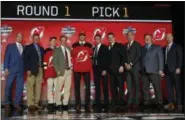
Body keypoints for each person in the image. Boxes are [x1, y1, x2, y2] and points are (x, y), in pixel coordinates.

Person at [141, 34, 164, 111]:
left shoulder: (157, 47)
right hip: (144, 71)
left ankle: (159, 103)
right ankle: (147, 103)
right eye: (145, 38)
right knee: (145, 88)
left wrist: (161, 69)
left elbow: (160, 59)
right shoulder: (143, 48)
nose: (147, 39)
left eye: (148, 38)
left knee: (157, 88)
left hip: (154, 70)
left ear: (152, 39)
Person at [72, 32, 93, 113]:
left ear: (85, 36)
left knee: (88, 88)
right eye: (80, 35)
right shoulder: (74, 45)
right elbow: (72, 56)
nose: (81, 37)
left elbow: (91, 57)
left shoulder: (89, 45)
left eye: (83, 35)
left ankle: (88, 105)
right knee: (77, 88)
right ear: (79, 37)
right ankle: (78, 105)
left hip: (86, 69)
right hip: (77, 69)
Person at [23, 34, 44, 111]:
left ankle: (36, 104)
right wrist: (27, 69)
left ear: (39, 39)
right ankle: (30, 104)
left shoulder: (41, 49)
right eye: (35, 38)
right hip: (31, 69)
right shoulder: (28, 47)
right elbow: (25, 59)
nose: (36, 39)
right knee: (30, 87)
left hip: (40, 69)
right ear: (32, 39)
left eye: (37, 38)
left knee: (38, 87)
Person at [4, 33, 24, 112]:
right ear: (16, 37)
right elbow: (6, 57)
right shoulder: (10, 46)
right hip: (11, 69)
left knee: (19, 88)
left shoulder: (24, 47)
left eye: (21, 36)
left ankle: (17, 104)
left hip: (21, 70)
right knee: (8, 86)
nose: (20, 37)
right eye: (18, 36)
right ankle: (7, 103)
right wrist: (6, 68)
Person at [53, 35, 72, 112]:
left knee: (67, 88)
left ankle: (65, 103)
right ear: (60, 41)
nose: (64, 41)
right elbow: (54, 61)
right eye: (62, 40)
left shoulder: (69, 49)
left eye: (65, 40)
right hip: (61, 71)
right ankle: (58, 103)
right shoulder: (57, 50)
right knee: (58, 88)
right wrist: (57, 70)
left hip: (69, 71)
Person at [164, 33, 183, 112]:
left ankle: (179, 104)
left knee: (177, 87)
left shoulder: (177, 46)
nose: (168, 38)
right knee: (169, 88)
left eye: (169, 37)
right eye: (167, 37)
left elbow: (180, 58)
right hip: (167, 70)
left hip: (175, 70)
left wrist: (179, 67)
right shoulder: (165, 47)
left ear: (172, 38)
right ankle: (171, 104)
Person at [107, 32, 125, 112]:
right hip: (110, 71)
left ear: (114, 38)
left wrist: (122, 66)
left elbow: (124, 57)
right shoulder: (108, 47)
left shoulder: (119, 45)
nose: (110, 39)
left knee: (120, 87)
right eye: (109, 37)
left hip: (119, 70)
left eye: (111, 37)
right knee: (113, 87)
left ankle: (121, 102)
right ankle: (114, 101)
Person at [124, 31, 141, 110]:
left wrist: (131, 64)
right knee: (129, 87)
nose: (129, 36)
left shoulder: (137, 44)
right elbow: (123, 56)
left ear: (133, 36)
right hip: (127, 69)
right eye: (128, 35)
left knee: (137, 86)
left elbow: (138, 56)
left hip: (135, 68)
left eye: (131, 35)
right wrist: (125, 64)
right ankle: (129, 102)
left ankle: (136, 103)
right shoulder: (125, 45)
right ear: (126, 36)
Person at [92, 34, 109, 112]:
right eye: (96, 39)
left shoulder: (105, 47)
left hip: (103, 70)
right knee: (97, 88)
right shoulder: (94, 48)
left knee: (105, 87)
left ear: (100, 39)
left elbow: (107, 59)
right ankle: (98, 104)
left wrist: (105, 69)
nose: (97, 40)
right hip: (96, 71)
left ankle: (106, 104)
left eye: (98, 39)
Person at [43, 37, 57, 113]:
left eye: (55, 41)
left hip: (57, 73)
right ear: (50, 42)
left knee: (57, 89)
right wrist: (45, 71)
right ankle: (50, 103)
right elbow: (44, 62)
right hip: (49, 72)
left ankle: (55, 103)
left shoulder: (58, 50)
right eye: (52, 41)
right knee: (50, 88)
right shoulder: (46, 51)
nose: (54, 42)